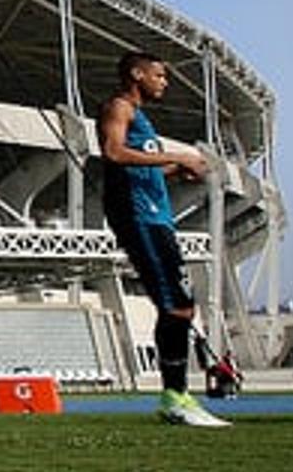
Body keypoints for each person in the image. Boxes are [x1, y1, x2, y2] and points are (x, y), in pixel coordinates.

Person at [97, 51, 229, 427]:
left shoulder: (145, 120)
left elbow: (143, 170)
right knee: (176, 306)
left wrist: (176, 170)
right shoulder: (119, 107)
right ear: (137, 74)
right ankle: (175, 399)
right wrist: (178, 155)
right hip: (139, 217)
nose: (164, 82)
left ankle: (178, 396)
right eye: (159, 75)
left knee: (182, 306)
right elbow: (113, 151)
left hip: (158, 216)